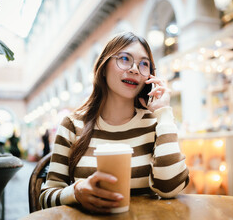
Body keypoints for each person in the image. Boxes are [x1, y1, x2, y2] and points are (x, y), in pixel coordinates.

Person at [40, 32, 189, 213]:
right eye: (125, 59)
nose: (135, 69)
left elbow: (170, 189)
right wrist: (76, 192)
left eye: (144, 64)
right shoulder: (73, 125)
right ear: (103, 67)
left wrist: (164, 113)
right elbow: (46, 198)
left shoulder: (156, 124)